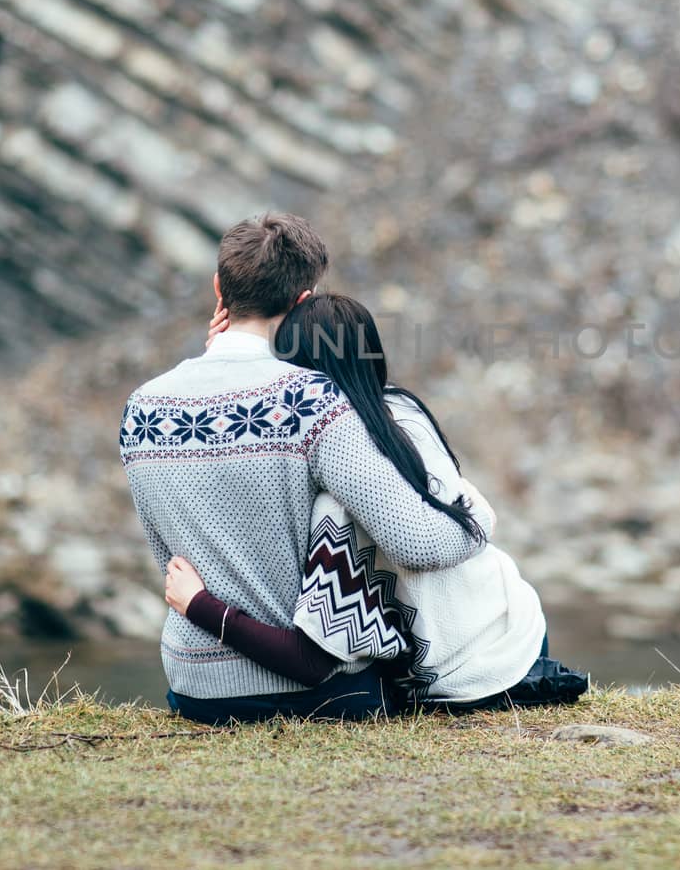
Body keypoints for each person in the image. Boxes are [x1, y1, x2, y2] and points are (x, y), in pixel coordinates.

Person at [120, 214, 484, 724]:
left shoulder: (143, 406)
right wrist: (478, 520)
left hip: (196, 688)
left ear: (218, 287)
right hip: (320, 693)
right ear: (302, 302)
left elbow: (172, 557)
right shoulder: (311, 402)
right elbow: (417, 543)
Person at [162, 292, 588, 711]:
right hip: (520, 620)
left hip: (477, 674)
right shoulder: (402, 411)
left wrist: (200, 606)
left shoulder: (344, 498)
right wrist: (221, 358)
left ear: (300, 376)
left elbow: (310, 662)